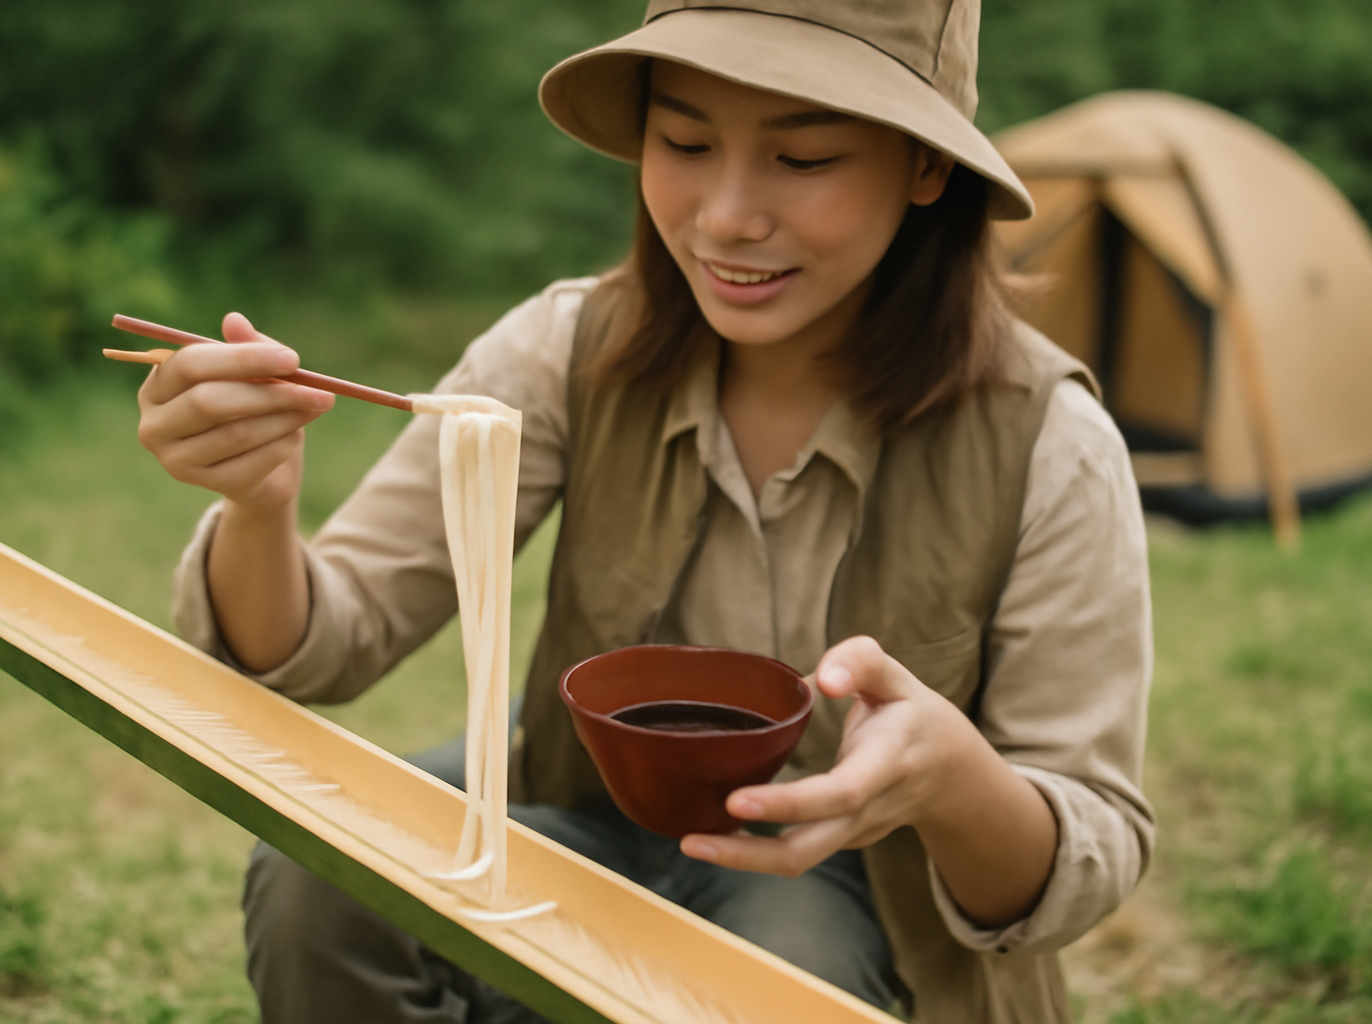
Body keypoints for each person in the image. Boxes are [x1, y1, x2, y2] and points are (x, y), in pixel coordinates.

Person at [135, 1, 1155, 1021]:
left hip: (879, 907)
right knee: (321, 873)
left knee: (770, 975)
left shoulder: (1047, 443)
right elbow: (327, 639)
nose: (725, 215)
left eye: (803, 159)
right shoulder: (565, 351)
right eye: (685, 142)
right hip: (586, 816)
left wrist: (948, 776)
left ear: (927, 167)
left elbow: (1083, 849)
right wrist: (259, 506)